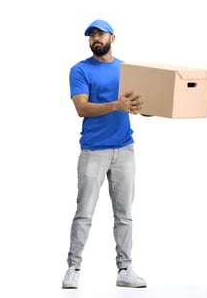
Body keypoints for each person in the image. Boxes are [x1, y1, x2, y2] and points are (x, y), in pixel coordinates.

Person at [62, 19, 147, 289]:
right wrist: (117, 105)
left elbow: (141, 106)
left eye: (100, 34)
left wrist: (153, 104)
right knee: (84, 212)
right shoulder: (79, 70)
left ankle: (125, 269)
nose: (95, 39)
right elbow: (82, 109)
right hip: (93, 151)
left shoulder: (127, 69)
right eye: (91, 36)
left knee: (124, 214)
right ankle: (73, 267)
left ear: (113, 37)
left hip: (124, 149)